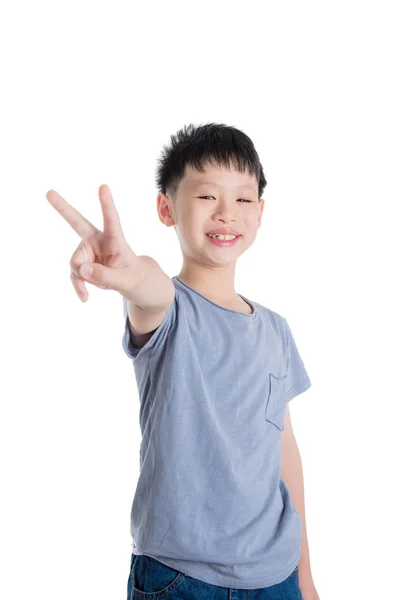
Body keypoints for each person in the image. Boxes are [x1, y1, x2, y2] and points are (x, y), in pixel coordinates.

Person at [46, 122, 319, 599]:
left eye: (242, 199)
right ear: (166, 208)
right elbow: (147, 286)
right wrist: (126, 272)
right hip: (180, 579)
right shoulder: (168, 308)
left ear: (260, 212)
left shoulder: (276, 329)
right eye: (207, 197)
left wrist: (306, 573)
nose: (227, 214)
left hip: (276, 576)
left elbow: (285, 452)